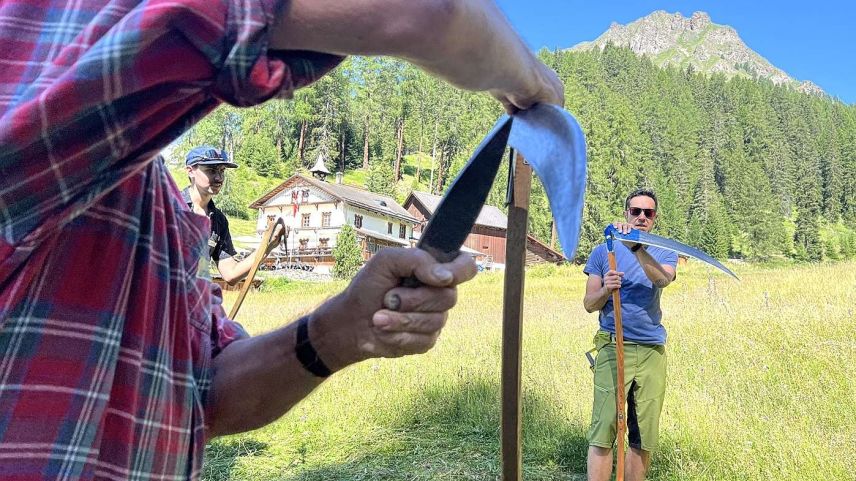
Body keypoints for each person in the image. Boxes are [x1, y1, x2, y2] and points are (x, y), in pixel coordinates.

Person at [0, 0, 563, 479]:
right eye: (210, 170)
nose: (216, 178)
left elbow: (204, 391)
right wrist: (531, 81)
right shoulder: (30, 52)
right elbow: (421, 13)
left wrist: (344, 327)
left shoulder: (156, 208)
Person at [582, 189, 678, 481]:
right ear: (626, 213)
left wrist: (636, 248)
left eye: (647, 213)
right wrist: (606, 289)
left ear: (654, 219)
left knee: (643, 432)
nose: (641, 217)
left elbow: (663, 279)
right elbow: (589, 304)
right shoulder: (604, 252)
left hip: (651, 350)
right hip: (614, 345)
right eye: (635, 211)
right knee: (605, 426)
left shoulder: (664, 251)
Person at [182, 146, 283, 284]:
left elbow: (230, 274)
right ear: (190, 171)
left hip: (192, 301)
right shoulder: (170, 207)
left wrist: (267, 246)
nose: (218, 178)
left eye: (222, 171)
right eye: (211, 171)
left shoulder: (219, 221)